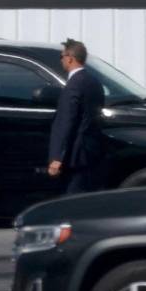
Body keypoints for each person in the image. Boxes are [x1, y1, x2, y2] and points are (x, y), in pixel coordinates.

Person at [48, 39, 106, 194]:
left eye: (61, 56)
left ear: (70, 58)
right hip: (91, 150)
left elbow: (67, 121)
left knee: (70, 197)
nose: (61, 60)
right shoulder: (94, 82)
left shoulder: (74, 85)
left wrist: (57, 157)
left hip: (74, 154)